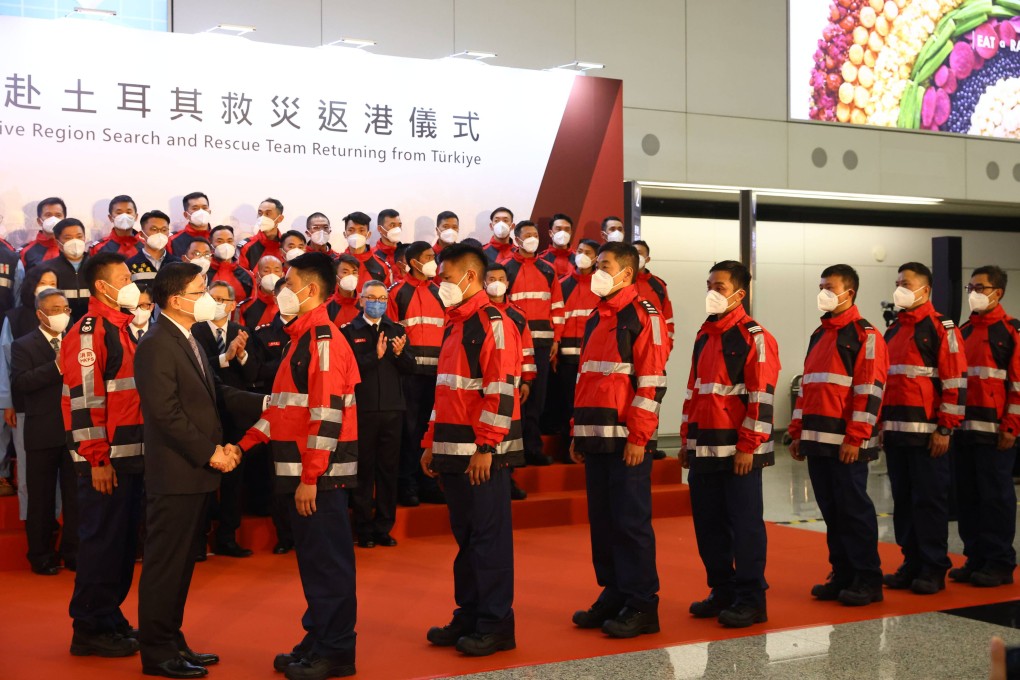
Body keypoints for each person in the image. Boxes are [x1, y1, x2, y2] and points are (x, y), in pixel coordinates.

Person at [135, 262, 265, 679]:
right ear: (177, 300)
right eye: (201, 289)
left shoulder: (185, 337)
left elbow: (215, 393)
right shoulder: (157, 343)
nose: (209, 297)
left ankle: (173, 639)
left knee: (182, 565)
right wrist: (212, 452)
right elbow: (166, 414)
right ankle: (157, 651)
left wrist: (266, 403)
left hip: (193, 473)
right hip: (177, 473)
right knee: (165, 565)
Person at [237, 252, 360, 680]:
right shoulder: (301, 338)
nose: (280, 290)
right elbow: (285, 410)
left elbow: (326, 416)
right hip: (303, 475)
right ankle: (319, 639)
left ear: (310, 291)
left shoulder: (322, 341)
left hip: (319, 479)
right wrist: (245, 444)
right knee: (314, 563)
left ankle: (337, 650)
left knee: (328, 564)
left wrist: (311, 477)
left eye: (288, 283)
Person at [421, 242, 522, 657]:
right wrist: (430, 443)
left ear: (470, 277)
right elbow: (445, 391)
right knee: (466, 539)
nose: (440, 285)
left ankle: (496, 623)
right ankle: (470, 613)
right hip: (451, 448)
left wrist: (487, 446)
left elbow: (501, 389)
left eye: (445, 278)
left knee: (488, 539)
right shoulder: (456, 323)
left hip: (482, 453)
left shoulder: (493, 321)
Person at [568, 241, 668, 639]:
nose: (597, 269)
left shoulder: (645, 315)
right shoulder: (596, 316)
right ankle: (614, 594)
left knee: (630, 524)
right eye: (597, 263)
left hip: (627, 439)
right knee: (604, 523)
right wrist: (577, 429)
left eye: (604, 264)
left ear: (627, 273)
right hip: (594, 436)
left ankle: (642, 604)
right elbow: (587, 378)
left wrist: (639, 438)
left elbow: (651, 383)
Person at [682, 260, 781, 629]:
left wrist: (749, 446)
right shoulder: (704, 334)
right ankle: (722, 591)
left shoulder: (756, 336)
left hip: (739, 451)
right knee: (709, 525)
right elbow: (694, 392)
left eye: (719, 286)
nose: (712, 292)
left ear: (740, 293)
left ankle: (751, 599)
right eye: (709, 284)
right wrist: (687, 440)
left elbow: (761, 396)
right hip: (705, 448)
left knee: (745, 526)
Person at [787, 264, 888, 607]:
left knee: (853, 511)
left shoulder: (866, 335)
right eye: (821, 286)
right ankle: (842, 573)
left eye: (829, 287)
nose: (823, 292)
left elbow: (869, 390)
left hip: (846, 442)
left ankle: (867, 578)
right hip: (818, 439)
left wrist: (856, 437)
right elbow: (808, 387)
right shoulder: (820, 334)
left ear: (850, 292)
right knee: (832, 511)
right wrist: (797, 431)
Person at [61, 252, 145, 658]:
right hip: (105, 462)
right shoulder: (89, 331)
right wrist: (96, 459)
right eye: (124, 276)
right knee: (101, 543)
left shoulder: (122, 327)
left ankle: (109, 618)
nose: (132, 282)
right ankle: (90, 627)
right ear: (101, 286)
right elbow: (84, 402)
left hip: (128, 458)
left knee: (121, 544)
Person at [881, 262, 967, 595]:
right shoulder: (894, 330)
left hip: (929, 435)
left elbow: (955, 381)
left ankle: (933, 567)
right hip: (897, 433)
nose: (900, 287)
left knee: (929, 502)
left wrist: (945, 429)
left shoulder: (941, 328)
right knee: (903, 501)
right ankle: (911, 561)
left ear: (925, 290)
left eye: (906, 283)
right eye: (898, 282)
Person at [951, 265, 1020, 588]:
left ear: (998, 292)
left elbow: (1018, 385)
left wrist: (1011, 426)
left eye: (980, 287)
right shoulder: (963, 332)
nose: (973, 293)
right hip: (964, 430)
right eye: (970, 287)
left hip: (996, 434)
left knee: (996, 498)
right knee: (967, 497)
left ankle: (1000, 562)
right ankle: (975, 557)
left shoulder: (1011, 332)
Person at [341, 280, 416, 548]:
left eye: (382, 298)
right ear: (360, 300)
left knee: (388, 470)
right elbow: (347, 372)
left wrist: (398, 354)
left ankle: (383, 527)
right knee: (363, 471)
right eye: (371, 297)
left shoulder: (396, 330)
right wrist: (375, 356)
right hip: (363, 411)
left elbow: (411, 367)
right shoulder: (349, 331)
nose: (377, 302)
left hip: (393, 411)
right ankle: (363, 529)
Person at [11, 288, 78, 575]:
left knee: (77, 497)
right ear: (40, 314)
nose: (61, 315)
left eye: (65, 309)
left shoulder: (78, 341)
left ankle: (73, 553)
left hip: (75, 431)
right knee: (41, 499)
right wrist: (56, 367)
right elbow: (21, 383)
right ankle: (40, 556)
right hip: (41, 431)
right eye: (54, 310)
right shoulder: (23, 345)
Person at [192, 281, 261, 558]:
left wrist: (242, 355)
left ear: (234, 304)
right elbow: (195, 368)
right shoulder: (194, 331)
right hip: (205, 412)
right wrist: (225, 356)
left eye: (224, 299)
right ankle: (198, 539)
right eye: (213, 297)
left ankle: (228, 537)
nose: (219, 303)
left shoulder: (242, 332)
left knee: (234, 476)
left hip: (236, 416)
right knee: (203, 475)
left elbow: (254, 374)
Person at [387, 241, 446, 507]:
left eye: (433, 256)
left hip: (437, 375)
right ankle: (407, 484)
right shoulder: (396, 292)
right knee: (409, 431)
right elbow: (390, 333)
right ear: (413, 262)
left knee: (430, 430)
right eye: (428, 256)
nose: (433, 260)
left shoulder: (442, 292)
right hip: (408, 375)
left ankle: (429, 482)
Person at [503, 220, 565, 466]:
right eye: (527, 235)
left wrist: (556, 338)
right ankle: (513, 451)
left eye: (534, 235)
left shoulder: (549, 269)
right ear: (516, 240)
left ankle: (533, 449)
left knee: (537, 399)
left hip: (541, 344)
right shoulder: (506, 269)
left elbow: (557, 307)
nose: (532, 238)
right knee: (514, 396)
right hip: (512, 344)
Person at [0, 266, 58, 503]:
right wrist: (8, 404)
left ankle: (57, 518)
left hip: (57, 405)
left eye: (54, 282)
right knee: (28, 468)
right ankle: (30, 518)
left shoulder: (64, 315)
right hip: (24, 405)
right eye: (43, 282)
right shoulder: (15, 318)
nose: (49, 287)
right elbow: (4, 364)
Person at [484, 262, 535, 501]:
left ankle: (508, 477)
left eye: (500, 278)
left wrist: (527, 380)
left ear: (507, 282)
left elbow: (526, 349)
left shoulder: (518, 314)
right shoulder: (479, 313)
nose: (496, 283)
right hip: (486, 386)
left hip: (513, 385)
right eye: (491, 278)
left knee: (511, 433)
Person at [251, 278, 295, 554]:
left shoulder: (313, 332)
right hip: (275, 413)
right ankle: (286, 536)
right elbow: (257, 371)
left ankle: (306, 534)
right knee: (280, 477)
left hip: (306, 416)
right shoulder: (264, 333)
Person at [546, 240, 601, 447]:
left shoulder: (602, 285)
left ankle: (588, 447)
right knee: (567, 403)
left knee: (591, 405)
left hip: (594, 358)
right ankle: (568, 446)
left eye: (588, 252)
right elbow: (557, 318)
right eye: (579, 251)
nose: (583, 255)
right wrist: (556, 350)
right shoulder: (562, 284)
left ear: (596, 258)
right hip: (567, 357)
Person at [45, 218, 91, 322]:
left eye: (79, 237)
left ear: (85, 238)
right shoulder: (47, 269)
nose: (75, 241)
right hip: (61, 326)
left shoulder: (97, 267)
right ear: (58, 243)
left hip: (93, 326)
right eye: (68, 238)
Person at [633, 240, 675, 353]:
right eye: (633, 253)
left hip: (653, 348)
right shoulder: (621, 282)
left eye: (639, 253)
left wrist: (666, 348)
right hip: (626, 347)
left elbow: (668, 319)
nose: (636, 256)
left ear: (647, 259)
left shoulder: (658, 285)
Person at [128, 210, 181, 283]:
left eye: (164, 230)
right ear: (142, 234)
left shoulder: (178, 264)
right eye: (154, 229)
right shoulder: (130, 265)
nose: (159, 233)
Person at [207, 225, 254, 306]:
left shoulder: (247, 276)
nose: (226, 245)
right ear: (210, 244)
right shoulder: (203, 273)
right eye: (220, 241)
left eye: (229, 241)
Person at [342, 212, 391, 288]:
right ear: (345, 234)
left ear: (368, 234)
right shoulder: (336, 264)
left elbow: (385, 296)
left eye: (361, 230)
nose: (356, 234)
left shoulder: (381, 266)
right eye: (351, 230)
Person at [238, 198, 285, 271]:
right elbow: (241, 277)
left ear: (280, 218)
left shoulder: (287, 246)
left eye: (268, 214)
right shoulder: (246, 246)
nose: (262, 217)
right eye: (260, 213)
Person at [22, 196, 66, 269]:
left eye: (58, 215)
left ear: (65, 220)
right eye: (48, 215)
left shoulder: (73, 249)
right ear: (39, 221)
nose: (53, 219)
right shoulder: (25, 251)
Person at [242, 255, 284, 329]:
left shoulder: (291, 301)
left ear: (282, 276)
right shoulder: (247, 304)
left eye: (276, 271)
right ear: (258, 276)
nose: (272, 274)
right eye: (266, 271)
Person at [168, 192, 213, 257]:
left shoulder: (219, 238)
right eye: (195, 208)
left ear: (209, 212)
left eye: (204, 208)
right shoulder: (173, 241)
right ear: (186, 215)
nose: (201, 212)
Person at [326, 255, 362, 328]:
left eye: (354, 272)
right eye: (345, 272)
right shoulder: (327, 307)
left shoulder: (365, 304)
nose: (351, 276)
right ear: (336, 276)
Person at [539, 213, 575, 279]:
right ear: (550, 233)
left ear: (570, 233)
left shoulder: (578, 261)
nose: (563, 233)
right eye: (558, 229)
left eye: (567, 229)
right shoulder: (540, 259)